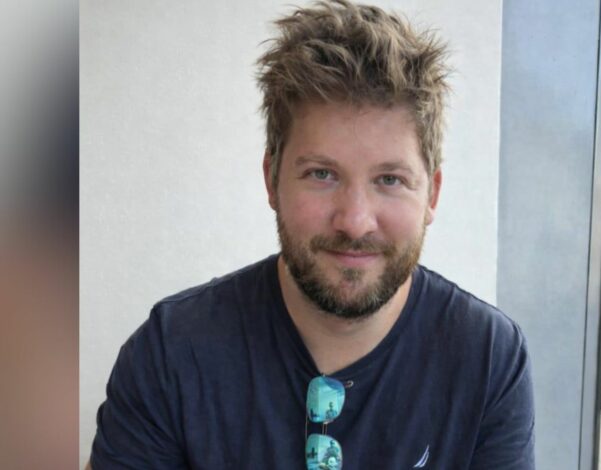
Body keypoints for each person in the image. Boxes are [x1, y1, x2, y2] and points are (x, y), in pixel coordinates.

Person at [88, 1, 534, 468]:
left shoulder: (488, 359)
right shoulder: (173, 353)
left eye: (390, 179)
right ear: (271, 179)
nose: (355, 221)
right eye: (322, 174)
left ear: (432, 194)